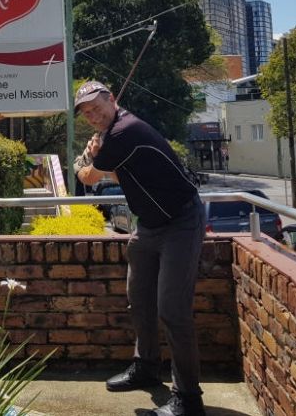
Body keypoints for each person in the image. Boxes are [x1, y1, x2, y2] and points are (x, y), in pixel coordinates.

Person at [74, 81, 206, 416]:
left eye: (97, 106)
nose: (92, 114)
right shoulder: (116, 135)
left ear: (112, 99)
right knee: (139, 300)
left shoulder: (124, 131)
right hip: (148, 227)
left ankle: (188, 399)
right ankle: (147, 366)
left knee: (172, 310)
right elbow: (120, 175)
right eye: (86, 112)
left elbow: (89, 178)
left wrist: (84, 160)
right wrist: (101, 153)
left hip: (181, 222)